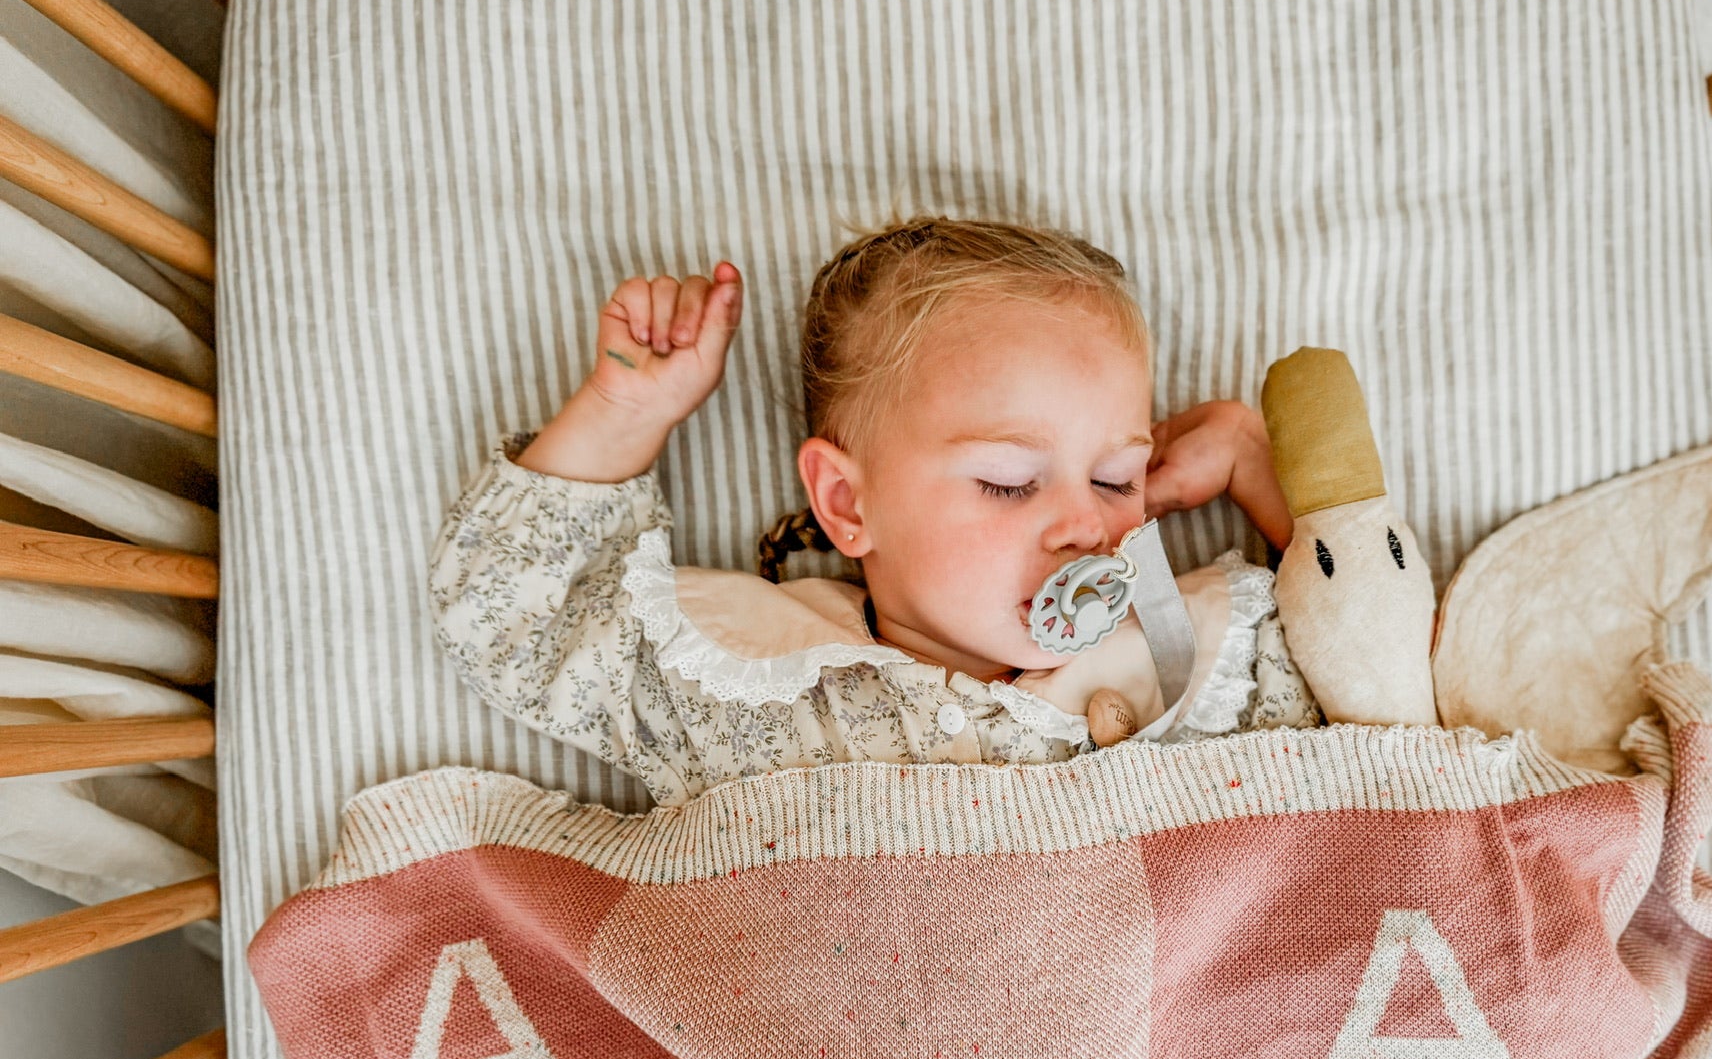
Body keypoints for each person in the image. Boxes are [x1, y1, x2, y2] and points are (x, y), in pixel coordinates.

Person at [428, 217, 1319, 805]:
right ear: (848, 503)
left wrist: (1251, 460)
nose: (1086, 526)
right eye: (1010, 481)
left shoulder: (1185, 662)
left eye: (1120, 478)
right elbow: (522, 616)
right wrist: (623, 416)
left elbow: (1371, 664)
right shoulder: (753, 680)